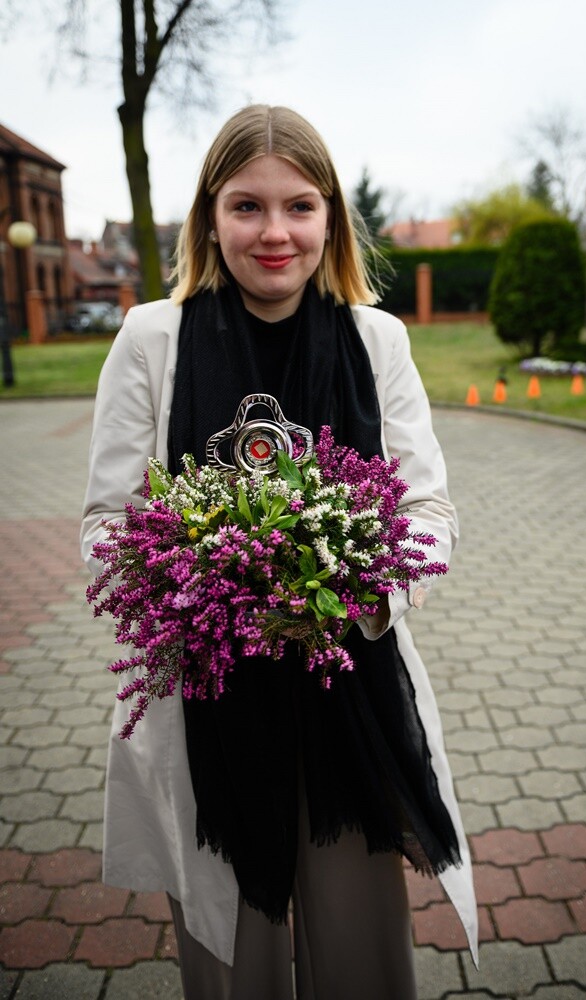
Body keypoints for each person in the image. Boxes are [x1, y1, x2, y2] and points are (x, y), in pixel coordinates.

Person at [81, 104, 478, 1000]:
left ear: (329, 215)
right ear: (208, 215)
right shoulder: (153, 337)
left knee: (361, 957)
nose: (274, 233)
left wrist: (351, 597)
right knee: (231, 963)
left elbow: (427, 506)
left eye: (298, 206)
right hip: (209, 706)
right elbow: (106, 521)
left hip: (351, 706)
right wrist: (210, 596)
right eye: (245, 207)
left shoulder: (379, 339)